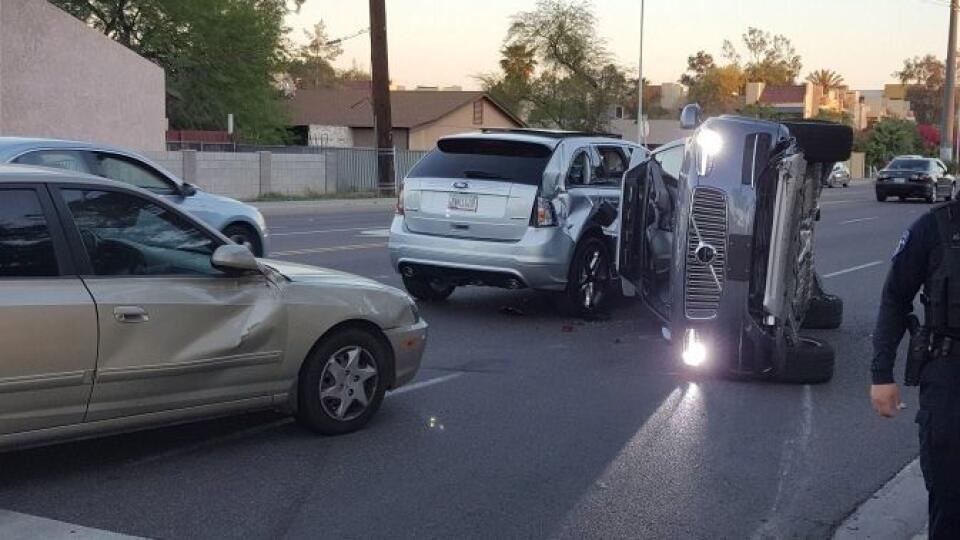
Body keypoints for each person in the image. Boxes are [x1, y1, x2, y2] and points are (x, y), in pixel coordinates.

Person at [872, 200, 960, 537]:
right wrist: (881, 374)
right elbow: (895, 298)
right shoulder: (934, 228)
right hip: (949, 376)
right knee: (950, 497)